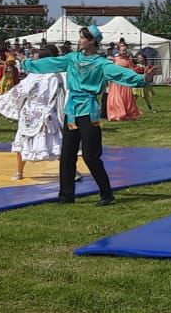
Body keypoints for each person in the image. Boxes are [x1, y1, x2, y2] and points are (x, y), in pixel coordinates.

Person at [21, 27, 148, 204]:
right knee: (67, 155)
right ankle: (66, 196)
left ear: (92, 41)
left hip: (89, 110)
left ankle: (106, 194)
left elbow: (121, 74)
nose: (79, 40)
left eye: (82, 38)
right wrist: (26, 64)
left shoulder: (102, 63)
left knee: (90, 155)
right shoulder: (72, 58)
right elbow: (51, 63)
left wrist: (142, 79)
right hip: (71, 110)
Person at [0, 45, 67, 181]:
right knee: (23, 141)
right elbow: (20, 91)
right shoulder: (33, 75)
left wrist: (49, 110)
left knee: (57, 143)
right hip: (30, 111)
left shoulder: (55, 76)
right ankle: (19, 171)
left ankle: (71, 171)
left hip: (46, 111)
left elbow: (54, 95)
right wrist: (5, 100)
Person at [105, 43, 143, 122]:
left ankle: (128, 112)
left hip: (126, 82)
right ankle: (117, 114)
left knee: (127, 98)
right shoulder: (115, 59)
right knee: (117, 99)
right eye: (123, 50)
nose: (125, 52)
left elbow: (132, 68)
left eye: (125, 50)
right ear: (119, 50)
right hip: (117, 82)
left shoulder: (128, 59)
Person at [0, 50, 19, 125]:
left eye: (12, 62)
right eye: (9, 62)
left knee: (9, 102)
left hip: (10, 86)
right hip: (2, 86)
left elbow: (16, 79)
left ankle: (8, 117)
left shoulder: (15, 69)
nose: (10, 63)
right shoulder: (2, 67)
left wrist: (16, 87)